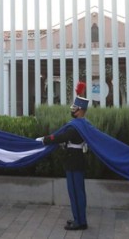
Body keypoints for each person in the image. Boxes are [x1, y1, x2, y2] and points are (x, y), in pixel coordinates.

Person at [37, 82, 89, 231]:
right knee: (75, 192)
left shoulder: (77, 125)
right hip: (74, 159)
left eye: (75, 109)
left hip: (75, 160)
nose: (72, 111)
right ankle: (78, 218)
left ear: (80, 110)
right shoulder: (81, 124)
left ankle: (80, 221)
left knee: (76, 192)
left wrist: (46, 139)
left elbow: (62, 137)